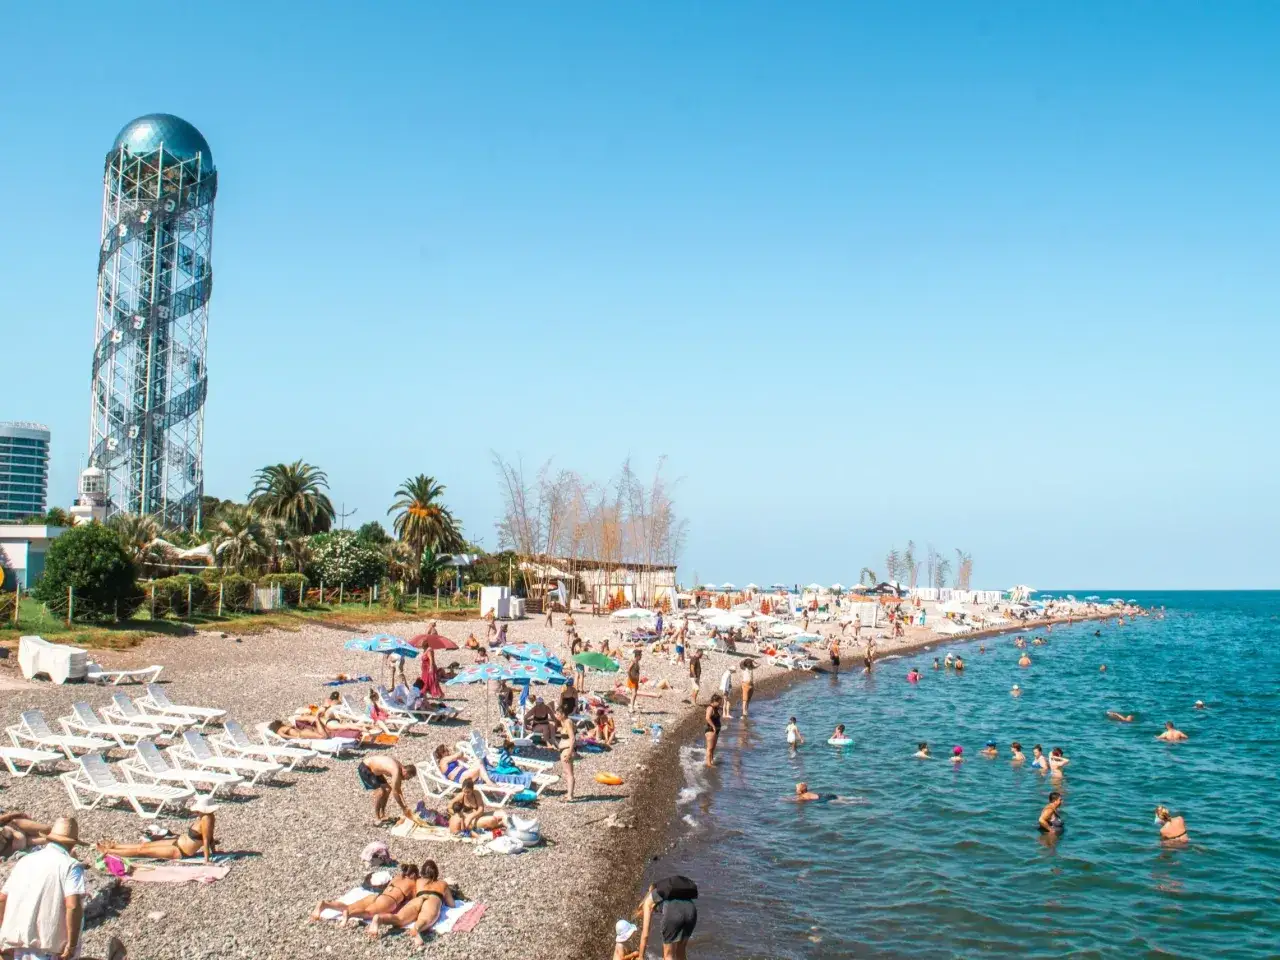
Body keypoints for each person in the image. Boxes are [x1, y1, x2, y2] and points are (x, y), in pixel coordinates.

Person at [0, 817, 87, 960]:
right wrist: (71, 945)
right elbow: (73, 905)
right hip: (48, 946)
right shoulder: (71, 865)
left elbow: (2, 898)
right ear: (72, 845)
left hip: (17, 941)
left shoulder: (25, 860)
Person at [95, 796, 220, 862]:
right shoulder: (204, 817)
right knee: (144, 845)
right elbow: (210, 838)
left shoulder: (207, 819)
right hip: (178, 842)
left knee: (141, 851)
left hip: (180, 851)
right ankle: (115, 846)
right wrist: (215, 852)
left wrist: (207, 859)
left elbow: (206, 840)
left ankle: (108, 852)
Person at [368, 859, 455, 944]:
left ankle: (380, 918)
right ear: (436, 872)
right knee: (425, 919)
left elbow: (410, 895)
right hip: (433, 899)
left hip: (418, 898)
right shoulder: (442, 884)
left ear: (422, 872)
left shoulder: (418, 881)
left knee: (399, 918)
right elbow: (451, 904)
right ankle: (417, 929)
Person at [313, 863, 420, 925]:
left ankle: (326, 904)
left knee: (348, 906)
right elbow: (415, 899)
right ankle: (349, 914)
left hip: (378, 896)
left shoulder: (397, 877)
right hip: (389, 900)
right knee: (368, 912)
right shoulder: (412, 882)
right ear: (414, 874)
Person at [633, 877, 698, 960]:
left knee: (668, 956)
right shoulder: (667, 892)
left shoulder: (647, 902)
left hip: (673, 912)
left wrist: (640, 957)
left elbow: (645, 934)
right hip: (691, 910)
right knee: (680, 953)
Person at [357, 755, 424, 825]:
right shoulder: (396, 771)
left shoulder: (400, 767)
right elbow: (395, 792)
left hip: (375, 770)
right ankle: (377, 819)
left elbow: (398, 789)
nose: (407, 779)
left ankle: (383, 815)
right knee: (380, 792)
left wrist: (405, 805)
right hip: (365, 767)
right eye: (408, 777)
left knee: (388, 789)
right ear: (405, 772)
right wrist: (403, 808)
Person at [556, 705, 577, 802]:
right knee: (566, 773)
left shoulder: (568, 722)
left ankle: (570, 796)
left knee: (569, 773)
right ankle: (569, 793)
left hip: (567, 750)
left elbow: (572, 738)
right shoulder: (563, 722)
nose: (556, 715)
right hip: (563, 750)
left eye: (558, 714)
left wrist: (569, 752)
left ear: (563, 714)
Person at [704, 695, 722, 767]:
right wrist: (713, 726)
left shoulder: (715, 708)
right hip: (710, 730)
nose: (720, 704)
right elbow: (707, 718)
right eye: (719, 702)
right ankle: (708, 764)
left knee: (713, 748)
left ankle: (711, 761)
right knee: (710, 748)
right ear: (714, 701)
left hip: (716, 730)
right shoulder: (710, 708)